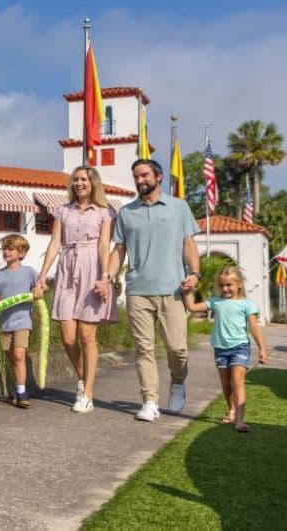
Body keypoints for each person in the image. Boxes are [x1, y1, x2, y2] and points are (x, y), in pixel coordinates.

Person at [97, 159, 201, 422]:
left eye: (144, 175)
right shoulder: (127, 212)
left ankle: (178, 382)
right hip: (138, 291)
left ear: (159, 176)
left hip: (173, 290)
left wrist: (194, 273)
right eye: (136, 176)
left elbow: (188, 244)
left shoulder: (179, 208)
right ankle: (150, 401)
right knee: (144, 349)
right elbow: (118, 249)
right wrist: (107, 276)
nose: (140, 180)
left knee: (177, 348)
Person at [35, 165, 117, 413]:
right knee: (68, 338)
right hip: (67, 269)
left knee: (86, 336)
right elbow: (55, 243)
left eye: (84, 179)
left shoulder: (105, 212)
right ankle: (84, 376)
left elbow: (104, 245)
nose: (79, 183)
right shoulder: (63, 210)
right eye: (76, 179)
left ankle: (87, 393)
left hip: (92, 269)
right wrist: (42, 275)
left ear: (93, 183)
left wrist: (105, 277)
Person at [181, 266, 267, 432]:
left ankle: (239, 420)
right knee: (226, 385)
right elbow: (191, 307)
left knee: (237, 381)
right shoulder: (215, 302)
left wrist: (262, 349)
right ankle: (231, 409)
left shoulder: (246, 304)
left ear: (239, 284)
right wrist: (187, 292)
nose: (225, 288)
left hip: (240, 347)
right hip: (220, 349)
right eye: (221, 285)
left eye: (229, 285)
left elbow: (255, 327)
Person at [0, 234, 39, 408]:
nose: (6, 252)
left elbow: (40, 287)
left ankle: (21, 392)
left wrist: (39, 290)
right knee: (12, 358)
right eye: (5, 249)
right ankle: (15, 390)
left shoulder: (29, 272)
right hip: (5, 322)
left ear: (22, 253)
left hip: (23, 321)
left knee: (19, 355)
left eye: (11, 249)